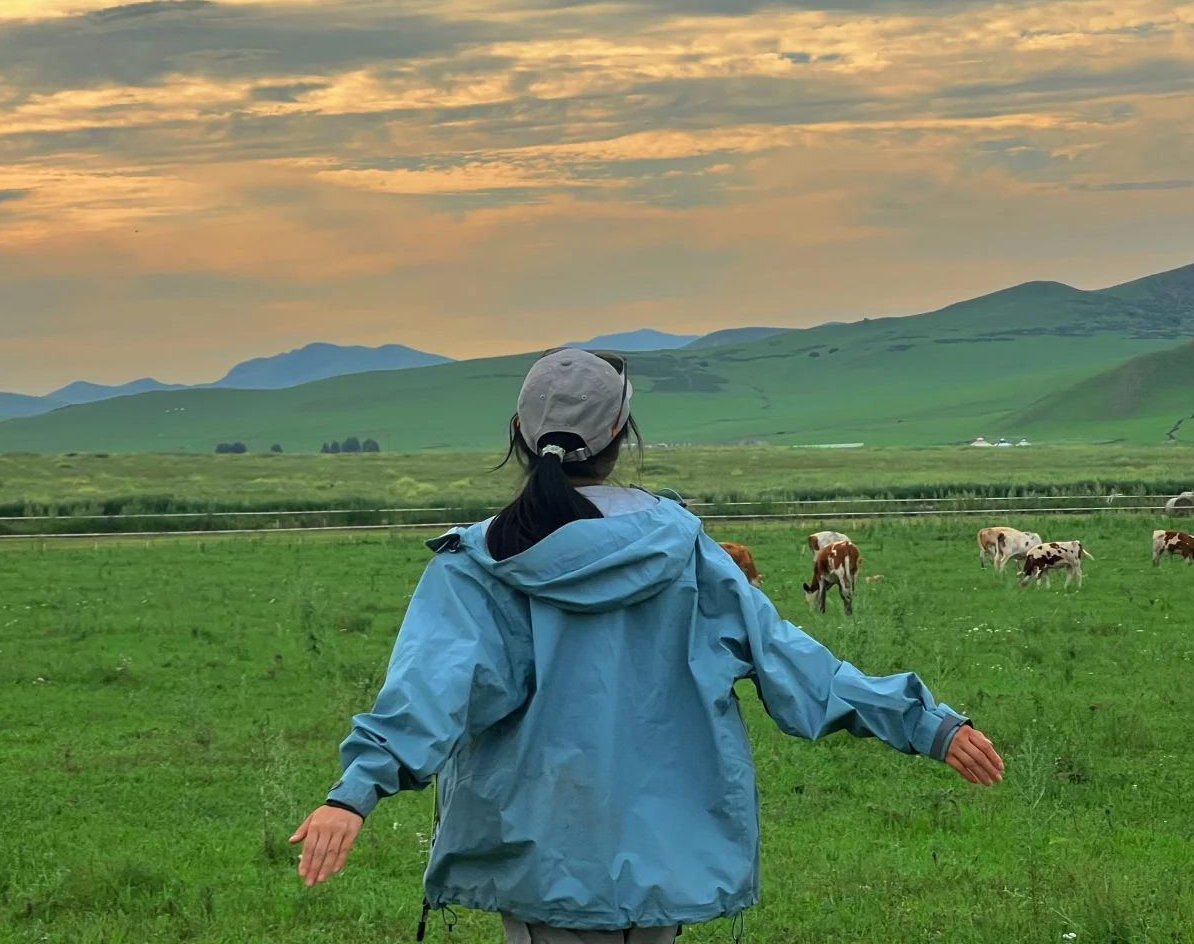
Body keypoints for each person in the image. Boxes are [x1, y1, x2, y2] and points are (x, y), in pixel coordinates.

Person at [291, 348, 1004, 941]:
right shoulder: (686, 551)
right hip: (667, 859)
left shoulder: (482, 564)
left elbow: (429, 692)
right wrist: (925, 722)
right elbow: (793, 663)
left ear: (519, 432)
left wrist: (354, 794)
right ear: (620, 432)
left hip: (541, 860)